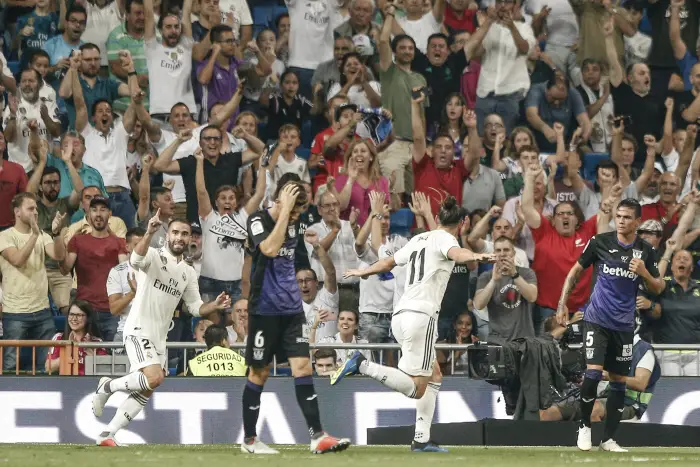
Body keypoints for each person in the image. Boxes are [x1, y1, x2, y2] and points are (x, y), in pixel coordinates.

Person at [335, 196, 495, 452]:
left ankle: (421, 439)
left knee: (435, 376)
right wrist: (477, 254)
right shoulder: (447, 240)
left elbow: (388, 262)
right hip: (422, 317)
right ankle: (362, 364)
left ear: (439, 218)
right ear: (463, 223)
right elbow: (458, 253)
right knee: (417, 389)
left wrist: (362, 272)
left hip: (401, 315)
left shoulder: (419, 239)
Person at [91, 213, 231, 446]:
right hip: (138, 328)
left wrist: (213, 305)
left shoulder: (188, 271)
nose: (180, 237)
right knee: (153, 377)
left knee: (149, 387)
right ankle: (107, 385)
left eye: (185, 234)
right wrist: (148, 232)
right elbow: (135, 260)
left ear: (189, 239)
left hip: (159, 336)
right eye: (175, 232)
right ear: (167, 235)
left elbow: (195, 307)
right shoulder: (154, 256)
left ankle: (108, 434)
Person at [242, 180, 350, 454]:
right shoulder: (257, 218)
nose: (297, 215)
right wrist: (285, 210)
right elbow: (267, 248)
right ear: (280, 198)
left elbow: (296, 261)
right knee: (259, 372)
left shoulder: (295, 225)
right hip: (263, 311)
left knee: (302, 367)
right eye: (294, 209)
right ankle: (250, 441)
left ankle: (318, 436)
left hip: (291, 312)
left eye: (300, 210)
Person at [557, 198, 665, 452]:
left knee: (617, 381)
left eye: (627, 217)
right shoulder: (600, 242)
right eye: (619, 216)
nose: (621, 221)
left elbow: (659, 287)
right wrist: (563, 303)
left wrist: (645, 274)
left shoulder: (645, 252)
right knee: (593, 372)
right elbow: (574, 271)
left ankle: (608, 439)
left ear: (637, 222)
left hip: (624, 325)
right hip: (597, 319)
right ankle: (584, 427)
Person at [0, 193, 65, 371]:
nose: (35, 212)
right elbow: (18, 260)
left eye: (36, 208)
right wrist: (35, 235)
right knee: (10, 365)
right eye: (30, 208)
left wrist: (57, 234)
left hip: (42, 310)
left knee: (48, 365)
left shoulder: (43, 235)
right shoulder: (5, 236)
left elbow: (59, 256)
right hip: (14, 312)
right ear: (17, 212)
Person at [61, 196, 129, 341]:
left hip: (111, 310)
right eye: (94, 210)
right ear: (88, 214)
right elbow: (65, 268)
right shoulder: (77, 240)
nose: (98, 214)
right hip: (85, 310)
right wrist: (58, 236)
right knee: (85, 358)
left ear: (109, 214)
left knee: (113, 359)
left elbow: (125, 273)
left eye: (103, 209)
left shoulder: (119, 243)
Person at [473, 236, 538, 344]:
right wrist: (494, 281)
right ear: (493, 253)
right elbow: (479, 304)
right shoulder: (486, 277)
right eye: (498, 250)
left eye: (506, 250)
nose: (502, 254)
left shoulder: (527, 273)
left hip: (524, 340)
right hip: (497, 341)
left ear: (513, 253)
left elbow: (532, 297)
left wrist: (514, 274)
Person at [106, 227, 145, 346]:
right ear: (127, 247)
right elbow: (114, 309)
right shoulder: (117, 272)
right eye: (137, 245)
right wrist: (133, 293)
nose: (142, 249)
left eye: (144, 245)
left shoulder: (156, 270)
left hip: (151, 333)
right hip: (125, 332)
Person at [46, 299, 107, 375]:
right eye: (71, 314)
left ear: (87, 318)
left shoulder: (97, 342)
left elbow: (105, 370)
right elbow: (48, 368)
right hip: (65, 383)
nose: (74, 319)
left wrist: (90, 354)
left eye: (79, 315)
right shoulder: (59, 338)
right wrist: (68, 352)